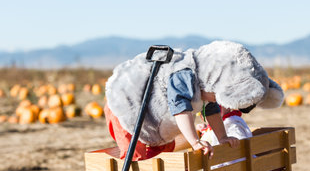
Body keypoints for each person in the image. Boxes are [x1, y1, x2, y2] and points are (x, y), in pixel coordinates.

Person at [104, 41, 284, 161]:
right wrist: (195, 142)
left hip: (155, 121)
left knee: (159, 153)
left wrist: (222, 137)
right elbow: (180, 110)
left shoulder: (206, 86)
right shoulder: (183, 75)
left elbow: (211, 110)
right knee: (134, 157)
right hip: (125, 108)